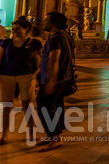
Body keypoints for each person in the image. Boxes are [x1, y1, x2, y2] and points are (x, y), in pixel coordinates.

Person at [0, 17, 42, 146]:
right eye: (13, 29)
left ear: (26, 29)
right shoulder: (6, 43)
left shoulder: (33, 43)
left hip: (26, 76)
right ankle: (4, 135)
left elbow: (40, 62)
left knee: (27, 105)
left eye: (18, 29)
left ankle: (31, 133)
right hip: (6, 76)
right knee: (6, 106)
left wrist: (33, 75)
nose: (15, 32)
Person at [37, 12, 76, 152]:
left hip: (55, 78)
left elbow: (54, 59)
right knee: (56, 104)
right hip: (64, 77)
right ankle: (53, 135)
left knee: (44, 106)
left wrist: (51, 81)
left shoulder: (55, 39)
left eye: (46, 19)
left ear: (53, 22)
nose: (43, 22)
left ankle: (55, 137)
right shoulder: (66, 36)